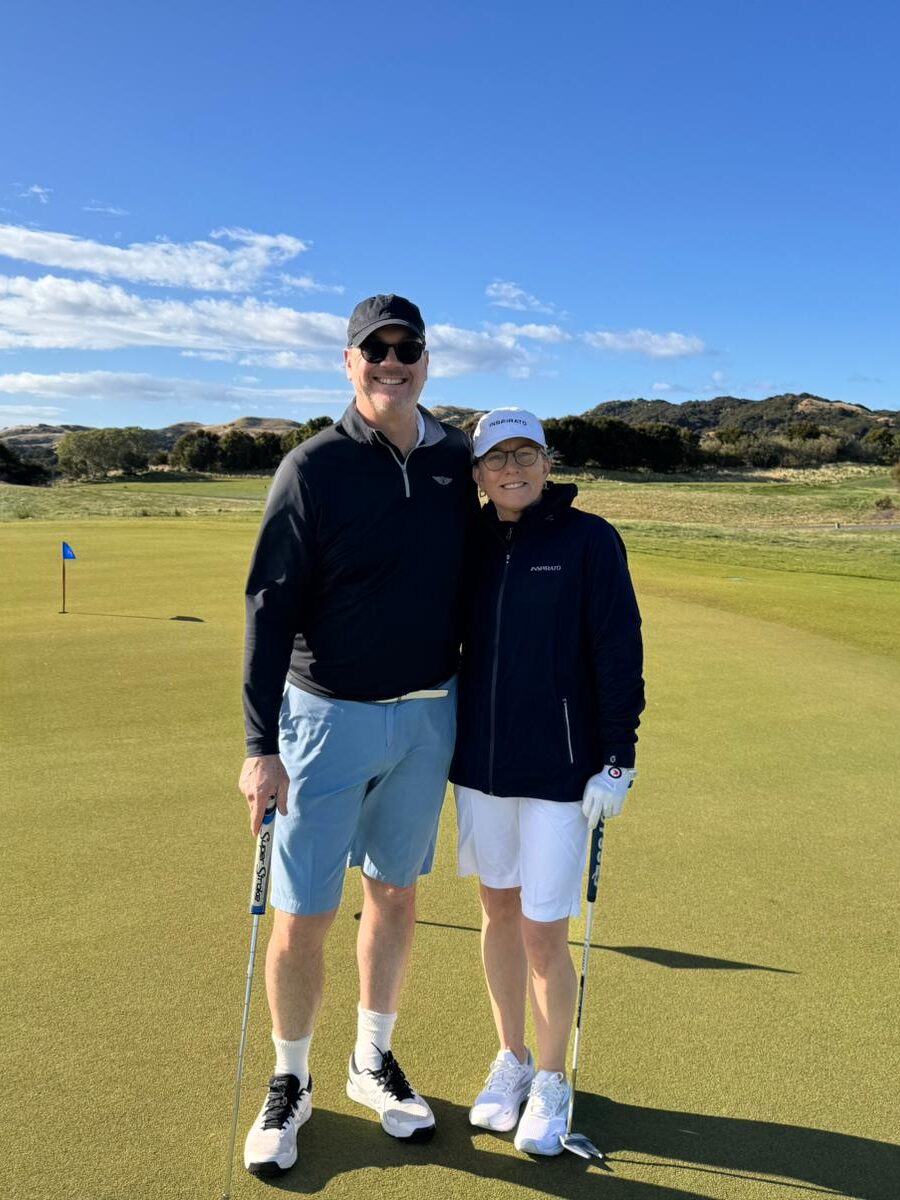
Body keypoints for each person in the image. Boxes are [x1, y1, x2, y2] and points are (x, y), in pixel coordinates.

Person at [238, 294, 476, 1176]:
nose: (391, 361)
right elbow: (269, 605)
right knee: (305, 915)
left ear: (425, 358)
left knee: (397, 895)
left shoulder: (457, 457)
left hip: (426, 716)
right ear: (348, 362)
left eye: (405, 347)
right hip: (323, 719)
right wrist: (260, 745)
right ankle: (290, 1080)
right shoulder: (313, 465)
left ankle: (371, 1061)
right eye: (372, 349)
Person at [449, 407, 645, 1156]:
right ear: (477, 474)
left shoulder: (589, 540)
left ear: (548, 463)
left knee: (543, 932)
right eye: (498, 459)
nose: (513, 469)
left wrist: (617, 760)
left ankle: (554, 1078)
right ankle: (513, 1058)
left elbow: (617, 651)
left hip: (565, 773)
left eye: (527, 454)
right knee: (496, 911)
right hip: (481, 767)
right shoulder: (467, 541)